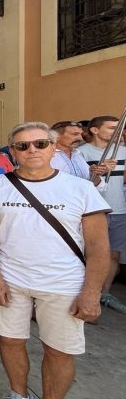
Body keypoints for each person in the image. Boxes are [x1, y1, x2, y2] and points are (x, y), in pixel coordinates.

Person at [0, 122, 110, 399]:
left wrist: (91, 292)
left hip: (64, 283)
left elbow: (98, 246)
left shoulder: (81, 189)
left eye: (39, 144)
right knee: (10, 340)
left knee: (59, 350)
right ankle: (18, 395)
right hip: (12, 279)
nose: (31, 151)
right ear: (12, 152)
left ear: (53, 147)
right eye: (22, 146)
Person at [77, 115, 126, 313]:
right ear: (95, 130)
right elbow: (77, 181)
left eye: (118, 128)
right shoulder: (81, 152)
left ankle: (103, 294)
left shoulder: (123, 151)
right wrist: (94, 172)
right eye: (112, 128)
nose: (117, 132)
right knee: (88, 252)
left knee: (113, 253)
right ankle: (84, 291)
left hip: (119, 208)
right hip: (91, 210)